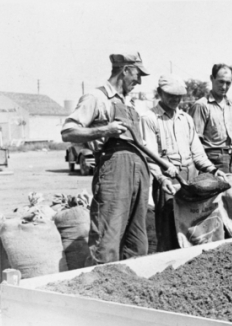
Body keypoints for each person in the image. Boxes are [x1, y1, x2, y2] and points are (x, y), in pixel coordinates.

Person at [62, 52, 165, 264]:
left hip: (139, 172)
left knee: (137, 242)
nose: (139, 80)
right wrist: (104, 131)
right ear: (125, 70)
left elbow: (141, 144)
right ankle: (101, 287)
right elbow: (68, 132)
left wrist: (161, 174)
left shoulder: (129, 103)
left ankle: (131, 289)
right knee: (107, 240)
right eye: (137, 74)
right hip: (114, 172)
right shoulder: (96, 98)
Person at [142, 74, 227, 252]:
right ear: (160, 93)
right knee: (168, 227)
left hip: (190, 178)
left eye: (178, 96)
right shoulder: (150, 119)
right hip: (168, 180)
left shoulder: (185, 119)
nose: (175, 99)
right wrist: (162, 179)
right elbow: (150, 156)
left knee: (193, 226)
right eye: (170, 95)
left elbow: (197, 152)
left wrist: (213, 170)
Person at [189, 63, 232, 237]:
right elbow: (193, 141)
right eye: (220, 82)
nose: (224, 86)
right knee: (216, 212)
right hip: (214, 163)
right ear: (211, 79)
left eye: (228, 82)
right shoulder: (201, 106)